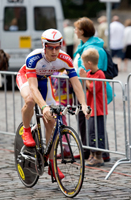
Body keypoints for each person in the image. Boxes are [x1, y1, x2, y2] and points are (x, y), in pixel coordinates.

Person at [16, 28, 91, 180]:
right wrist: (43, 107)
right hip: (26, 78)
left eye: (58, 46)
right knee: (30, 99)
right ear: (44, 46)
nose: (55, 51)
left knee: (52, 122)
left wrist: (83, 104)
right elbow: (32, 87)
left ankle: (52, 164)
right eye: (51, 47)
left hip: (44, 82)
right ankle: (26, 129)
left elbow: (76, 84)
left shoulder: (65, 59)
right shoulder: (34, 58)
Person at [73, 17, 111, 161]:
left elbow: (94, 83)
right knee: (90, 128)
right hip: (87, 99)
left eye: (76, 29)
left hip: (94, 102)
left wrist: (83, 78)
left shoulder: (93, 51)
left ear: (82, 31)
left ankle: (98, 154)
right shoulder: (83, 46)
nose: (75, 31)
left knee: (96, 130)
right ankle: (89, 151)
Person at [80, 48, 108, 167]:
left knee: (98, 133)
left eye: (84, 62)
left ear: (89, 63)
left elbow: (93, 88)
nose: (83, 65)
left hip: (99, 110)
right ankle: (92, 154)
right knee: (91, 133)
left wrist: (84, 79)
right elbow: (84, 88)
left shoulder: (100, 74)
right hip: (91, 109)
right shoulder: (88, 73)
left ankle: (98, 156)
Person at [51, 70, 73, 157]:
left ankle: (67, 148)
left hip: (63, 101)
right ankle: (64, 148)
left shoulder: (65, 72)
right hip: (56, 100)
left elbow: (57, 83)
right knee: (58, 123)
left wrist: (58, 74)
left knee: (62, 123)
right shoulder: (56, 72)